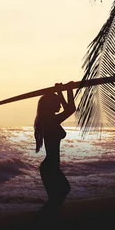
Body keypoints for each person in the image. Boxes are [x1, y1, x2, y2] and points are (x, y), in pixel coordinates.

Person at [34, 83, 76, 219]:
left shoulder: (50, 120)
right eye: (57, 103)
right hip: (49, 167)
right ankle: (41, 221)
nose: (59, 106)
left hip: (51, 166)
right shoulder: (49, 120)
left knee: (59, 195)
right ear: (50, 105)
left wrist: (62, 93)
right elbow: (70, 109)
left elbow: (69, 109)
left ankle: (45, 220)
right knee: (58, 196)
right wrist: (66, 90)